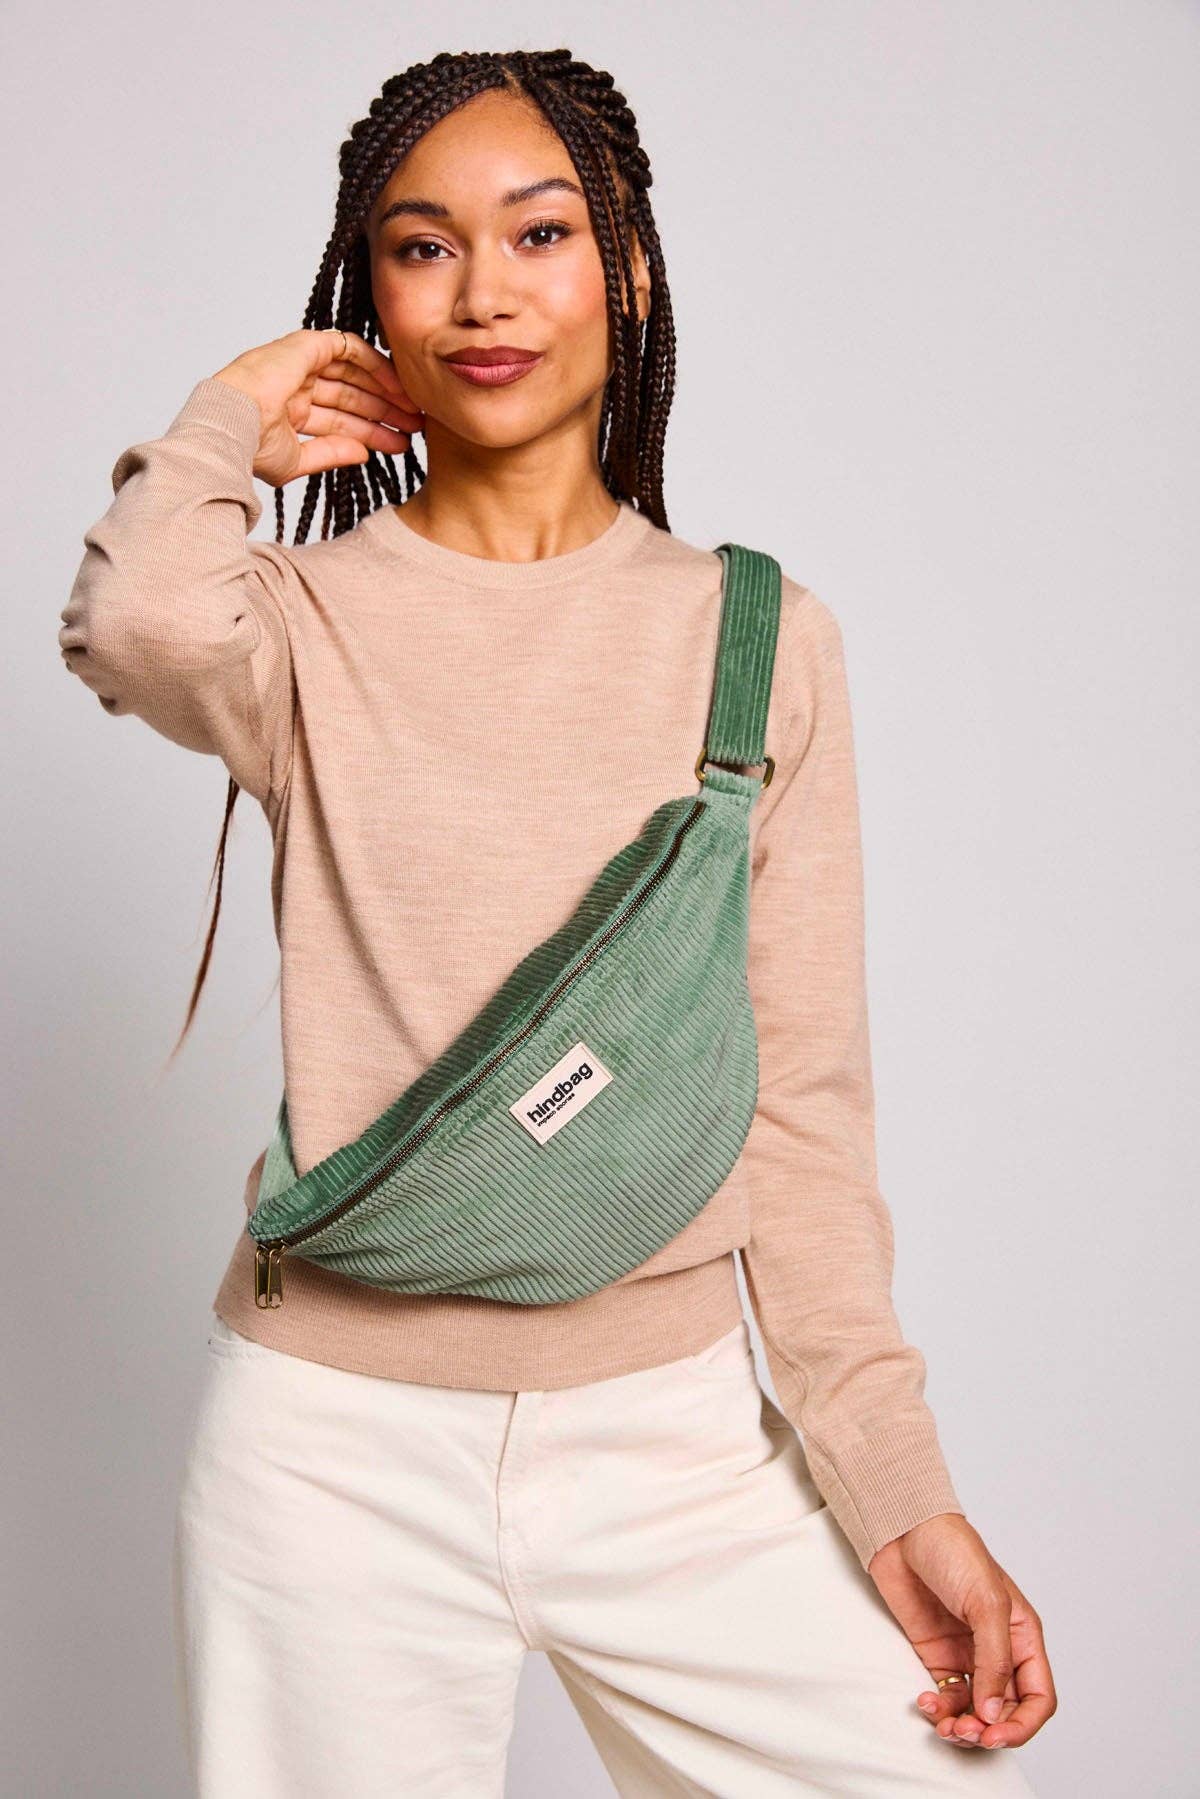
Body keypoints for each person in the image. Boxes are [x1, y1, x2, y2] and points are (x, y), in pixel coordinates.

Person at [58, 47, 1054, 1796]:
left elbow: (803, 1113)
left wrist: (898, 1491)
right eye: (420, 248)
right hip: (331, 1451)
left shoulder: (758, 638)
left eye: (539, 233)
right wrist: (226, 417)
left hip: (676, 1440)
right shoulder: (298, 623)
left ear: (630, 270)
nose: (483, 294)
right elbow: (136, 624)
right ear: (370, 299)